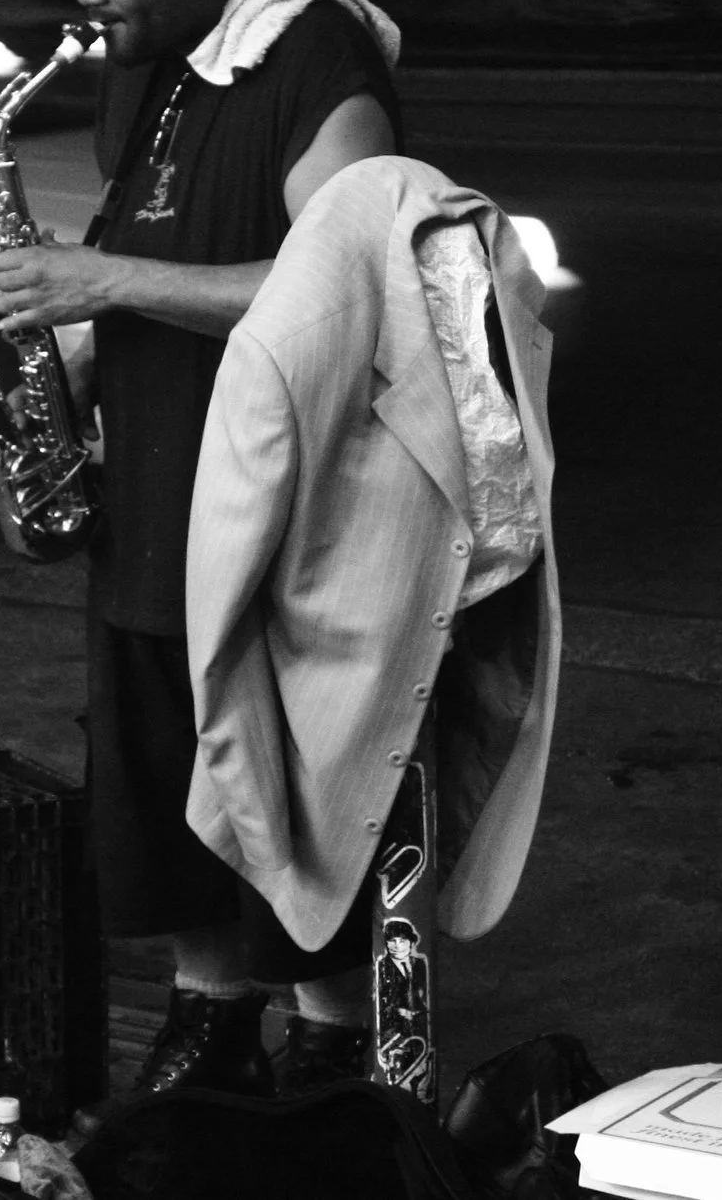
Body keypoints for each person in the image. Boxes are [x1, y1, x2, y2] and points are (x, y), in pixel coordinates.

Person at [0, 0, 402, 1101]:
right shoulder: (152, 52)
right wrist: (58, 380)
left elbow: (355, 285)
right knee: (163, 769)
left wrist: (99, 276)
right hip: (152, 489)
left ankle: (332, 1035)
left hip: (275, 507)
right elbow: (143, 243)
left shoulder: (316, 55)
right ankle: (210, 1011)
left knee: (285, 778)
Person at [186, 154, 561, 1097]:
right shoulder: (289, 345)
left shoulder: (478, 288)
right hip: (324, 687)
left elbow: (511, 511)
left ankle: (368, 1097)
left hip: (440, 657)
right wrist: (244, 773)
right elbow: (220, 602)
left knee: (400, 947)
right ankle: (342, 1094)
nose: (462, 288)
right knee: (323, 923)